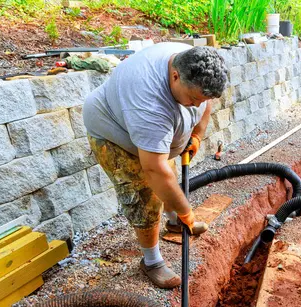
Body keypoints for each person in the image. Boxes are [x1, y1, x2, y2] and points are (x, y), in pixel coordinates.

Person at [83, 43, 228, 289]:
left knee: (167, 179)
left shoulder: (195, 65)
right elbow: (154, 169)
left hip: (149, 134)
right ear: (174, 76)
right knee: (146, 195)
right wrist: (187, 211)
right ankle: (151, 261)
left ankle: (173, 221)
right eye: (193, 98)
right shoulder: (147, 100)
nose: (197, 104)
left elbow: (206, 102)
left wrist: (196, 136)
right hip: (115, 135)